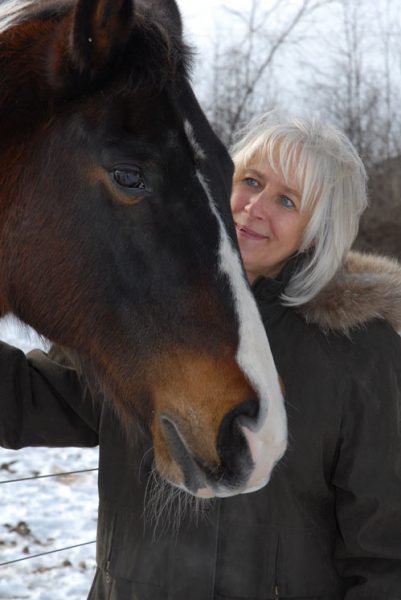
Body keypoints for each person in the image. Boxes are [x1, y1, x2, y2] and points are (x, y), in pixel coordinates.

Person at [1, 111, 401, 599]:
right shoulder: (144, 305)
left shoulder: (362, 352)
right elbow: (29, 401)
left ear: (318, 230)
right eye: (250, 180)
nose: (254, 207)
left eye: (286, 201)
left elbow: (386, 553)